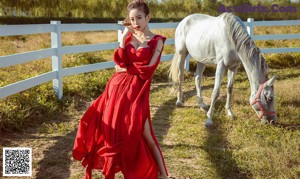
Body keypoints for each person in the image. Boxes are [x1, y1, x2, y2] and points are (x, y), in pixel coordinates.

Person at [72, 0, 168, 178]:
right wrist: (123, 42)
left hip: (137, 92)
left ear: (148, 17)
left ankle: (163, 175)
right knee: (112, 131)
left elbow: (148, 71)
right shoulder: (129, 37)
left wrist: (125, 69)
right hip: (115, 89)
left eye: (139, 18)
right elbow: (119, 61)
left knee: (145, 133)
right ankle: (115, 171)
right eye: (132, 19)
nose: (135, 23)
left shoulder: (157, 41)